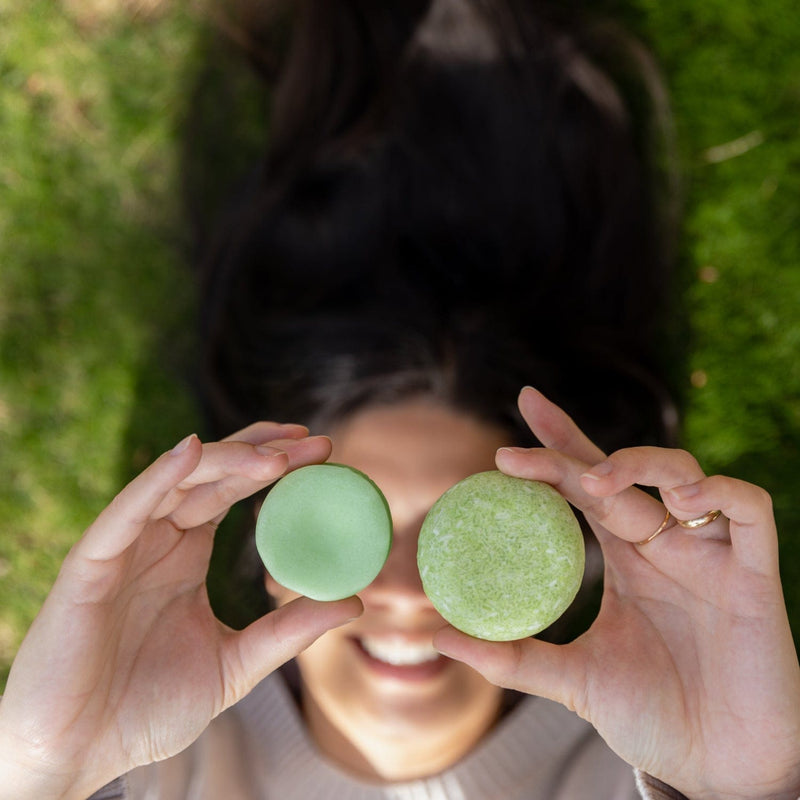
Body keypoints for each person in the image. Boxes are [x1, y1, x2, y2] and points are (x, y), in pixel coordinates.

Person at [1, 1, 799, 798]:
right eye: (359, 526)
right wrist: (45, 766)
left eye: (455, 539)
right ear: (277, 562)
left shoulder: (661, 764)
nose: (406, 592)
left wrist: (747, 788)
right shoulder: (134, 764)